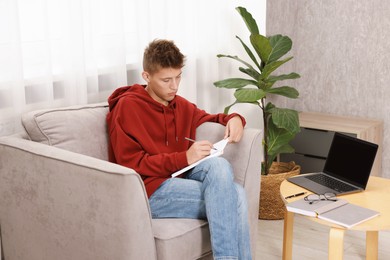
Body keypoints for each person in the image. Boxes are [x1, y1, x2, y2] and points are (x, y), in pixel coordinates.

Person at [106, 39, 252, 260]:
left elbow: (213, 117)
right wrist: (184, 157)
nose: (174, 86)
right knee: (237, 196)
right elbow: (131, 164)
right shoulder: (128, 107)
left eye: (178, 77)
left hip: (176, 176)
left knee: (220, 165)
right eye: (166, 80)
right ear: (146, 76)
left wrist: (235, 118)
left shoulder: (179, 105)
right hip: (148, 191)